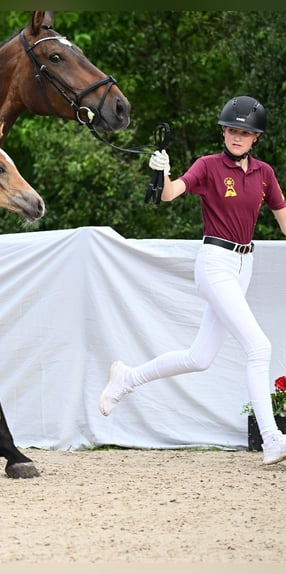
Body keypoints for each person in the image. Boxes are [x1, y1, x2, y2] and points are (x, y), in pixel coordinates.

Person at [99, 95, 286, 465]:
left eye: (245, 133)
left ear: (255, 138)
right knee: (259, 347)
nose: (237, 137)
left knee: (200, 357)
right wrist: (162, 171)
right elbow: (169, 194)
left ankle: (127, 378)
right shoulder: (208, 167)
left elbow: (282, 214)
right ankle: (272, 439)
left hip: (243, 264)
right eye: (232, 130)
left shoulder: (264, 174)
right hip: (215, 263)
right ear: (223, 132)